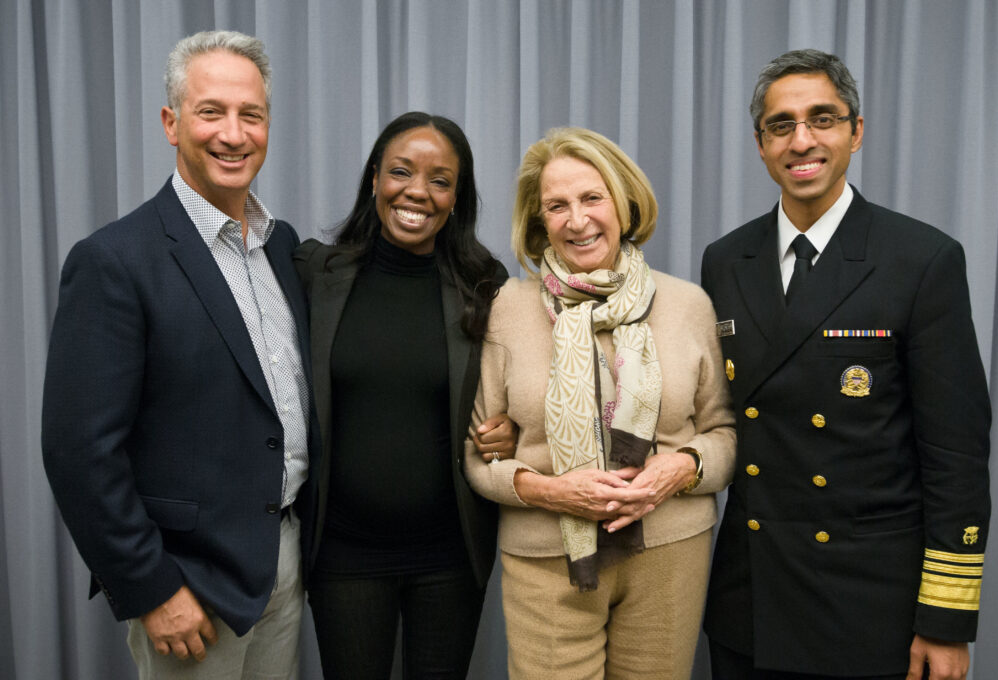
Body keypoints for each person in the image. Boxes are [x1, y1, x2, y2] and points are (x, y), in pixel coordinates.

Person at [700, 49, 990, 680]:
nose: (801, 140)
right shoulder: (726, 261)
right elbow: (711, 410)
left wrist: (944, 620)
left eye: (822, 119)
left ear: (856, 132)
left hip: (867, 605)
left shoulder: (921, 259)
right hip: (749, 595)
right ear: (760, 144)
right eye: (782, 125)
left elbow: (956, 456)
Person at [40, 31, 316, 679]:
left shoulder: (284, 248)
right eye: (210, 111)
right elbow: (78, 450)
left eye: (251, 115)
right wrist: (150, 588)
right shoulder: (115, 261)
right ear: (171, 122)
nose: (233, 133)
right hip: (190, 585)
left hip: (286, 562)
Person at [465, 127, 736, 679]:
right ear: (539, 221)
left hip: (669, 551)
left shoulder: (688, 305)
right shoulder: (507, 309)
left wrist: (679, 468)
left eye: (593, 197)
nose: (577, 219)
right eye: (557, 205)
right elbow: (478, 457)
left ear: (626, 204)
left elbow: (725, 434)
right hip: (545, 558)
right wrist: (548, 489)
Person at [293, 111, 511, 679]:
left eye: (440, 180)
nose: (418, 191)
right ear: (373, 179)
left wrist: (512, 427)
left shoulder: (486, 286)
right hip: (344, 554)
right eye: (401, 172)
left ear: (457, 198)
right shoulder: (317, 273)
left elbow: (520, 393)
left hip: (448, 555)